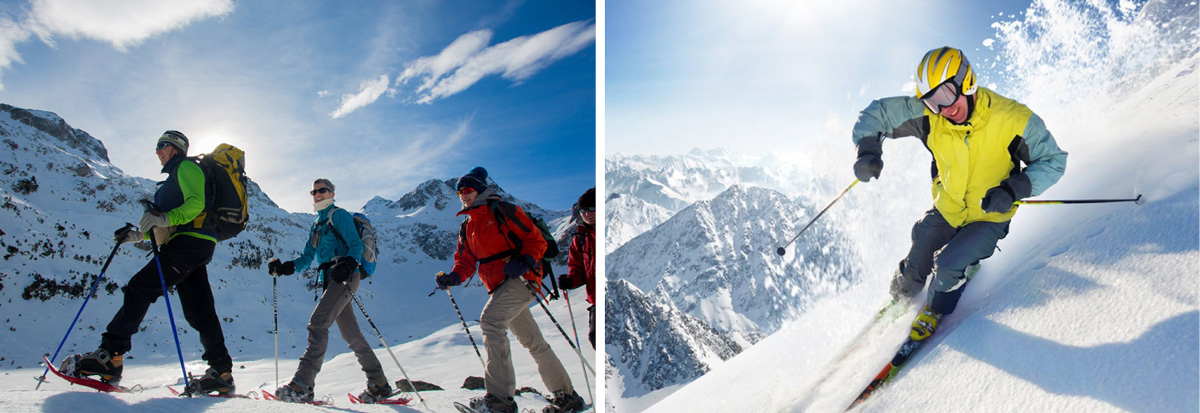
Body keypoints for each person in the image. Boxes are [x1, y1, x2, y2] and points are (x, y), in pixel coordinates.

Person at [851, 47, 1067, 341]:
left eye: (947, 95)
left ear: (967, 81)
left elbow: (1053, 160)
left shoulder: (1012, 119)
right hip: (948, 208)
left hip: (989, 215)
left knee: (948, 266)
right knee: (920, 250)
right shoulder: (932, 116)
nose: (944, 108)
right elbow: (878, 113)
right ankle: (901, 296)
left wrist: (1014, 189)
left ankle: (936, 308)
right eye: (932, 101)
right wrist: (867, 150)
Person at [63, 130, 235, 394]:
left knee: (140, 288)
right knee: (199, 310)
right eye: (156, 147)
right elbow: (165, 224)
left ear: (176, 147)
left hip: (189, 242)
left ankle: (110, 356)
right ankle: (221, 371)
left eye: (162, 145)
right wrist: (134, 236)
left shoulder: (188, 167)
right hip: (194, 243)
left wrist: (164, 219)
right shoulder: (170, 181)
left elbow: (195, 205)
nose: (157, 151)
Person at [435, 167, 585, 413]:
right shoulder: (467, 226)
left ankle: (500, 400)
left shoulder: (505, 211)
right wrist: (452, 277)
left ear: (480, 190)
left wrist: (525, 260)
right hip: (498, 287)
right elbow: (465, 262)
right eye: (459, 191)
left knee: (491, 323)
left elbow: (535, 240)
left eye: (468, 189)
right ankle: (567, 396)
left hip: (522, 279)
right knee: (533, 342)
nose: (463, 194)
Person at [267, 178, 391, 403]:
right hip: (332, 278)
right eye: (313, 192)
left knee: (318, 323)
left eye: (322, 190)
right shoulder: (317, 225)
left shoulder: (339, 215)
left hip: (345, 276)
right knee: (351, 334)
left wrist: (348, 265)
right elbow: (306, 258)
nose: (317, 195)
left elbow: (356, 245)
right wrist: (284, 267)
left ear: (332, 193)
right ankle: (379, 384)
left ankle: (303, 384)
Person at [558, 188, 596, 349]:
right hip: (596, 301)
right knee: (595, 338)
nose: (587, 214)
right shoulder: (580, 240)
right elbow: (578, 270)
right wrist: (570, 281)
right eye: (583, 211)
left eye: (592, 209)